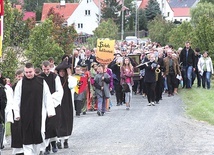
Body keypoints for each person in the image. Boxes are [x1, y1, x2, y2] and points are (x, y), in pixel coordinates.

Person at [13, 63, 56, 155]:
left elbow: (47, 96)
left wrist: (50, 111)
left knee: (39, 133)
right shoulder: (20, 84)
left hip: (39, 113)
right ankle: (28, 152)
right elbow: (16, 99)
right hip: (25, 114)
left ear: (34, 71)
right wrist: (16, 114)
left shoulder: (41, 82)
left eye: (30, 72)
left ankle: (38, 151)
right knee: (26, 135)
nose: (28, 74)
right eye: (27, 72)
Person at [40, 60, 64, 154]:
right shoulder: (39, 78)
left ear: (50, 68)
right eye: (44, 69)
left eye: (47, 69)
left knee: (53, 125)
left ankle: (53, 143)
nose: (46, 71)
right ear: (42, 68)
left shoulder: (55, 77)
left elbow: (59, 91)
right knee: (45, 126)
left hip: (53, 103)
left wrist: (51, 98)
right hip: (43, 104)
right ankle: (47, 146)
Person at [55, 59, 77, 149]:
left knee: (67, 120)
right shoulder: (56, 80)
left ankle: (66, 140)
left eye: (63, 71)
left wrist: (69, 73)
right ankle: (58, 140)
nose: (61, 73)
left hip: (67, 102)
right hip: (58, 103)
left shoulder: (69, 79)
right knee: (59, 120)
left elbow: (72, 85)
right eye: (60, 71)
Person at [11, 69, 24, 155]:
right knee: (16, 129)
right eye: (19, 76)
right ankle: (17, 148)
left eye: (21, 76)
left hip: (24, 109)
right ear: (16, 77)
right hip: (15, 109)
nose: (20, 78)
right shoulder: (13, 87)